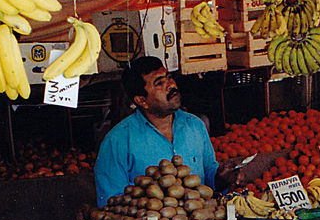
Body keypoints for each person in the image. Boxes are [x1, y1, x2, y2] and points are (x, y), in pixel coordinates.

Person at [94, 56, 240, 206]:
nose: (170, 85)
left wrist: (222, 178)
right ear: (141, 100)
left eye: (169, 77)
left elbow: (210, 177)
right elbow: (111, 203)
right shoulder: (117, 141)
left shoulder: (195, 125)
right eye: (159, 83)